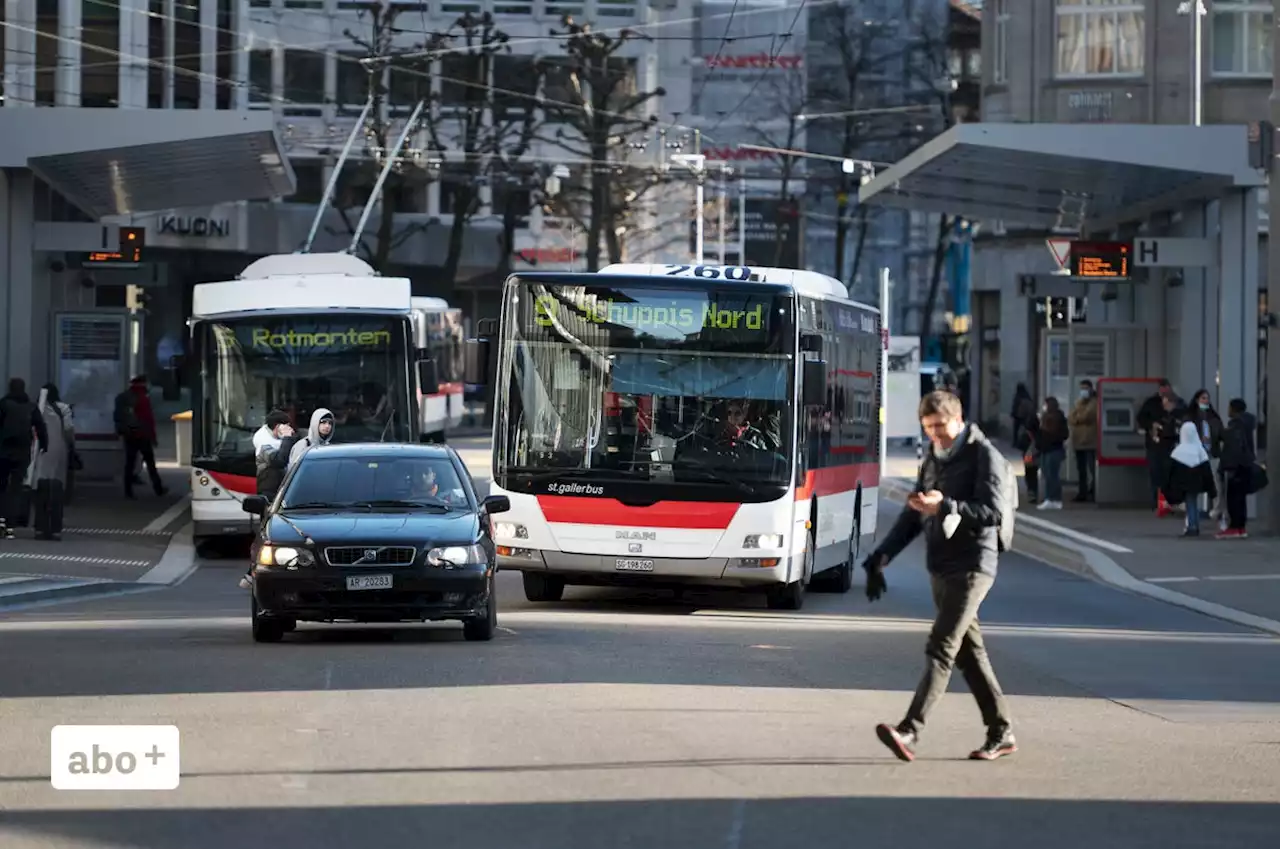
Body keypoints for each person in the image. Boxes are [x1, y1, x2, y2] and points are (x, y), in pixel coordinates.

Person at [862, 391, 1017, 763]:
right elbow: (915, 513)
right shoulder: (933, 456)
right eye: (929, 429)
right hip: (942, 563)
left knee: (942, 646)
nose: (937, 436)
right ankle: (1002, 731)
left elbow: (994, 512)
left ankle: (910, 730)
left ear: (958, 419)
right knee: (968, 653)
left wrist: (945, 506)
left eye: (941, 427)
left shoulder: (984, 456)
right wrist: (882, 556)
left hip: (974, 564)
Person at [241, 410, 300, 590]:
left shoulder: (277, 440)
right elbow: (280, 460)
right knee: (267, 536)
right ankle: (254, 574)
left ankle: (253, 575)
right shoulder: (264, 444)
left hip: (281, 494)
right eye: (286, 425)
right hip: (268, 496)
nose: (290, 428)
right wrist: (287, 439)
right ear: (277, 427)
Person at [0, 378, 49, 538]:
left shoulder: (3, 404)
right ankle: (10, 525)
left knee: (1, 486)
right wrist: (44, 445)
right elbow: (41, 427)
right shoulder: (31, 407)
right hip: (22, 453)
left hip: (3, 451)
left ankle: (0, 519)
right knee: (15, 489)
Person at [30, 384, 75, 540]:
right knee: (56, 491)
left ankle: (40, 528)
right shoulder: (63, 409)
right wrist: (70, 444)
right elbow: (69, 428)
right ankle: (55, 529)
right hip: (59, 453)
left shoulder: (37, 408)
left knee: (40, 491)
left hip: (40, 452)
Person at [114, 376, 167, 499]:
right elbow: (148, 419)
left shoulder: (124, 397)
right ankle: (158, 488)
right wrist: (153, 437)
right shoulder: (143, 398)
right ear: (143, 383)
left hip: (129, 434)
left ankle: (128, 491)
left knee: (129, 463)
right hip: (143, 435)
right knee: (150, 463)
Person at [1163, 422, 1216, 537]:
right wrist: (1211, 489)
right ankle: (1194, 524)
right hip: (1197, 482)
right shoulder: (1200, 450)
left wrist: (1167, 487)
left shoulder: (1178, 451)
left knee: (1190, 503)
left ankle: (1192, 526)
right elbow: (1207, 471)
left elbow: (1170, 470)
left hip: (1183, 483)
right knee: (1193, 501)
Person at [1136, 380, 1181, 514]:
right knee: (1156, 474)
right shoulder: (1151, 403)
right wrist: (1151, 425)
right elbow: (1141, 418)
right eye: (1161, 388)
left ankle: (1169, 502)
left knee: (1170, 475)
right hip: (1154, 444)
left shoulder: (1178, 403)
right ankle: (1157, 502)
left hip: (1171, 445)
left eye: (1165, 388)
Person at [1216, 398, 1256, 540]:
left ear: (1234, 409)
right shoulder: (1248, 424)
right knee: (1241, 498)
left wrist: (1227, 465)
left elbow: (1233, 448)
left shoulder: (1236, 425)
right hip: (1246, 464)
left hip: (1236, 466)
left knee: (1233, 498)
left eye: (1229, 407)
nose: (1228, 411)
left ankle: (1234, 527)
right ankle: (1240, 527)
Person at [1187, 389, 1224, 520]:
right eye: (1203, 398)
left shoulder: (1213, 417)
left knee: (1216, 482)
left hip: (1212, 453)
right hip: (1196, 454)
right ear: (1197, 400)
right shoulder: (1191, 417)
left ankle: (1216, 509)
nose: (1206, 401)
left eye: (1207, 398)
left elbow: (1220, 434)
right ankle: (1197, 509)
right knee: (1196, 482)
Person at [1034, 397, 1069, 510]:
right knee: (1047, 474)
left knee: (1052, 475)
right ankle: (1050, 498)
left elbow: (1058, 434)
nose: (1044, 407)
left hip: (1053, 450)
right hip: (1047, 450)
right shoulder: (1047, 417)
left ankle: (1054, 499)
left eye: (1045, 404)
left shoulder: (1056, 418)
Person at [1068, 380, 1098, 502]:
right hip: (1078, 442)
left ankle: (1095, 491)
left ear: (1091, 389)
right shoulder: (1079, 402)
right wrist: (1077, 416)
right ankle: (1082, 492)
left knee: (1092, 469)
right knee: (1081, 470)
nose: (1083, 391)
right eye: (1082, 388)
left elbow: (1087, 416)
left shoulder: (1094, 402)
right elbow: (1071, 417)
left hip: (1090, 441)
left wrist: (1077, 415)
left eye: (1086, 388)